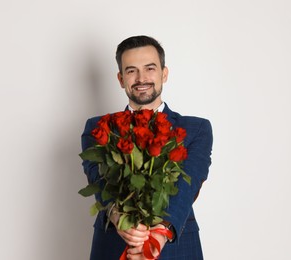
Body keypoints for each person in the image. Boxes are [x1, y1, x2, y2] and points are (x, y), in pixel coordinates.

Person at [81, 35, 213, 259]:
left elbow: (187, 185)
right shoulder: (99, 127)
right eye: (131, 71)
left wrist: (158, 236)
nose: (141, 78)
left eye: (150, 68)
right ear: (121, 79)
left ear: (164, 73)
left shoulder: (196, 129)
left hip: (176, 248)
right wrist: (120, 221)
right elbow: (98, 180)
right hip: (114, 243)